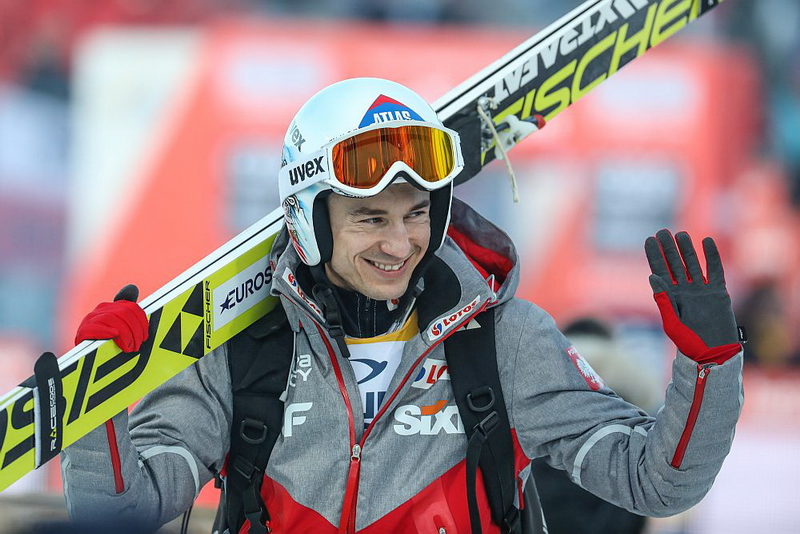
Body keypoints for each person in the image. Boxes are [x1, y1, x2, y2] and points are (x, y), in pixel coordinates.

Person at [61, 78, 744, 534]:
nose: (400, 244)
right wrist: (100, 400)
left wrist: (709, 366)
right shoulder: (241, 346)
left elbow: (658, 484)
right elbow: (119, 512)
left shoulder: (504, 341)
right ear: (310, 220)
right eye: (370, 219)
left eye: (417, 214)